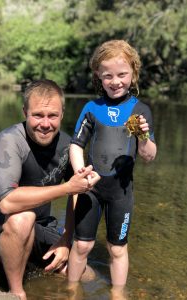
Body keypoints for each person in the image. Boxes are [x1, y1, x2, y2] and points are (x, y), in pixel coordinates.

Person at [0, 79, 100, 300]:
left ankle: (18, 258)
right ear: (25, 112)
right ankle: (17, 293)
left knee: (85, 276)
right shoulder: (8, 141)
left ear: (62, 114)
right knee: (22, 218)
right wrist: (66, 188)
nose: (45, 123)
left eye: (52, 116)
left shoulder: (69, 145)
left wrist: (67, 240)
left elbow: (78, 191)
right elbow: (7, 202)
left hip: (38, 226)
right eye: (38, 115)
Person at [67, 40, 157, 299]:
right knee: (82, 244)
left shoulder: (138, 112)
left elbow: (148, 155)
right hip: (91, 188)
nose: (115, 81)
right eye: (108, 76)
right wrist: (81, 173)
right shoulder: (92, 109)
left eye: (122, 74)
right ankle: (71, 291)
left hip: (121, 192)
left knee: (117, 249)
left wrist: (143, 136)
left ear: (133, 74)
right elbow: (76, 145)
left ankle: (118, 294)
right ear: (98, 76)